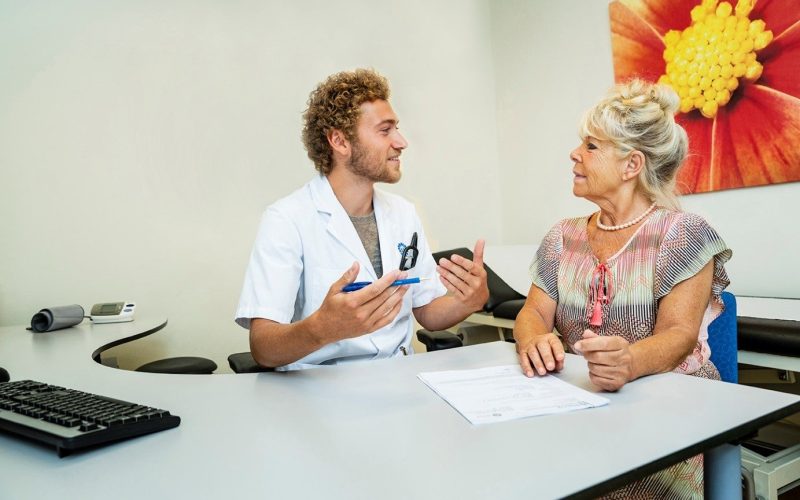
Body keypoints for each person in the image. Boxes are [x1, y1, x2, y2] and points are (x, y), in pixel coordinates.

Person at [514, 79, 731, 498]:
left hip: (670, 409)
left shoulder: (683, 233)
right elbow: (534, 312)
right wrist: (532, 339)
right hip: (584, 403)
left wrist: (628, 362)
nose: (575, 154)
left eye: (591, 146)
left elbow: (679, 335)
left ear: (632, 165)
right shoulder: (562, 236)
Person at [235, 68, 489, 370]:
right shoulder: (287, 219)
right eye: (385, 130)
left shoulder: (403, 214)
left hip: (399, 377)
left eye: (397, 128)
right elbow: (263, 347)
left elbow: (428, 311)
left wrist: (470, 300)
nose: (401, 141)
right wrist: (322, 328)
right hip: (320, 389)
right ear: (340, 142)